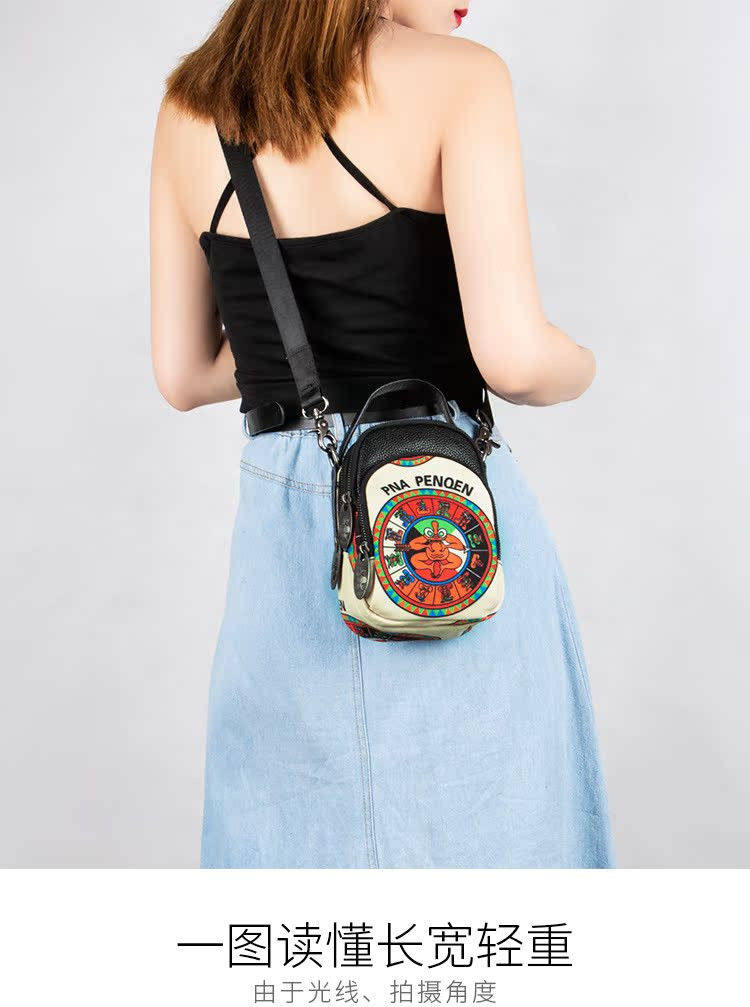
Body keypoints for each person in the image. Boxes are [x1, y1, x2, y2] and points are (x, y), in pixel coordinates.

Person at [149, 0, 613, 867]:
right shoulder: (462, 79)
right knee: (493, 851)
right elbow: (515, 358)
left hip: (284, 534)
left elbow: (184, 372)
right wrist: (583, 362)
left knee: (289, 860)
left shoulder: (191, 105)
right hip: (436, 505)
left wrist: (295, 352)